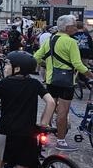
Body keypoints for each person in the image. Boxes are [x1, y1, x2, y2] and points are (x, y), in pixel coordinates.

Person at [34, 15, 93, 151]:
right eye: (73, 26)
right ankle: (60, 141)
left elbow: (36, 57)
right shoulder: (71, 42)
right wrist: (90, 75)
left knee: (49, 107)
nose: (76, 28)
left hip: (51, 80)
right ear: (67, 28)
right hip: (66, 82)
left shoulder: (50, 39)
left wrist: (48, 65)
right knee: (63, 112)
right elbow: (78, 64)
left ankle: (42, 138)